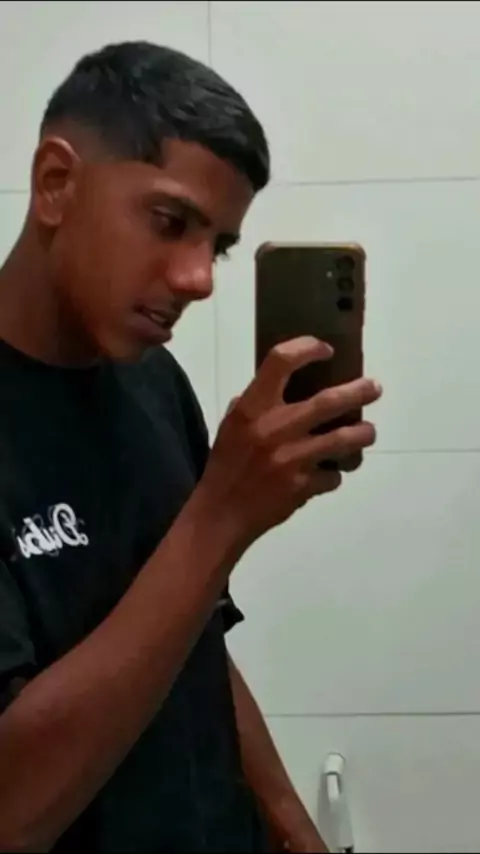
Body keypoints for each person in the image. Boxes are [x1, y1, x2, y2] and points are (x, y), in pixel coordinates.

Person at [0, 41, 381, 853]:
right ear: (56, 183)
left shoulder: (152, 381)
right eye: (170, 223)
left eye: (218, 245)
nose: (200, 279)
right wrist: (220, 517)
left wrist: (293, 830)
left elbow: (195, 639)